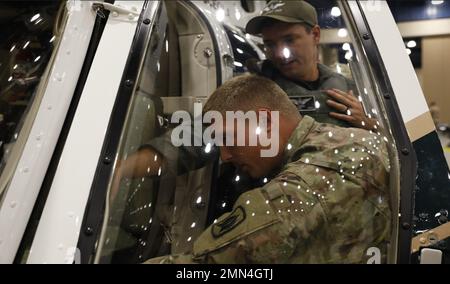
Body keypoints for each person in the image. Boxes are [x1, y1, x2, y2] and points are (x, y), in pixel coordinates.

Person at [143, 74, 392, 264]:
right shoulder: (350, 137)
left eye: (229, 139)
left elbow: (202, 264)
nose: (226, 155)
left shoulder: (302, 187)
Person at [245, 0, 376, 130]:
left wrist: (368, 123)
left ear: (315, 34)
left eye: (289, 40)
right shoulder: (253, 92)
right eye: (270, 44)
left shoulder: (351, 90)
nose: (279, 54)